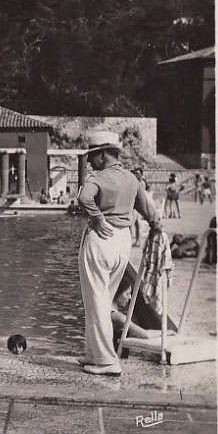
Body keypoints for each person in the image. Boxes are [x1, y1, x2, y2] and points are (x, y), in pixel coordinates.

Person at [76, 131, 161, 376]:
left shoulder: (98, 178)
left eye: (93, 155)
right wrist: (158, 228)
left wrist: (98, 217)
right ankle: (92, 353)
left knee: (96, 301)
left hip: (100, 240)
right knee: (103, 299)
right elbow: (149, 211)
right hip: (122, 242)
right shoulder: (132, 179)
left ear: (103, 155)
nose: (90, 161)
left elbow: (83, 197)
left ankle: (106, 361)